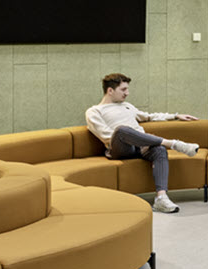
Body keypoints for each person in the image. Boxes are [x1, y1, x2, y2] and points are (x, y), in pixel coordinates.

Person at [84, 72, 201, 213]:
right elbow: (106, 136)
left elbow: (149, 117)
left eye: (127, 89)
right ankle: (173, 144)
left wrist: (175, 116)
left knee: (159, 150)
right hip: (119, 149)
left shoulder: (127, 106)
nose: (127, 93)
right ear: (110, 90)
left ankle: (161, 198)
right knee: (121, 130)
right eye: (123, 89)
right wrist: (131, 136)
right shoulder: (94, 111)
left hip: (140, 147)